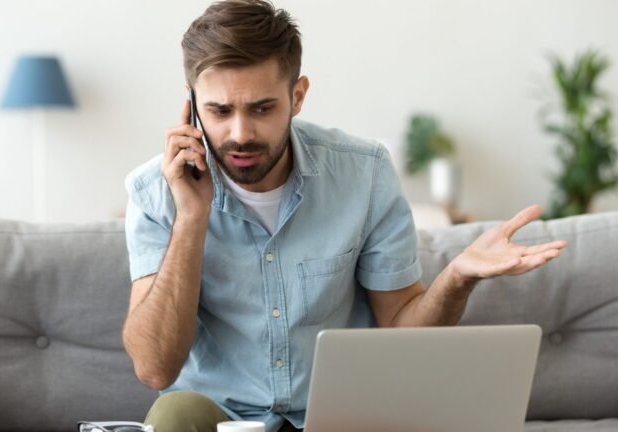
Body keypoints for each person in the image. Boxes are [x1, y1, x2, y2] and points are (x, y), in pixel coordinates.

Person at [121, 1, 567, 431]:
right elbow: (155, 370)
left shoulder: (364, 173)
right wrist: (191, 217)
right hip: (219, 419)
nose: (240, 134)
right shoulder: (154, 192)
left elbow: (401, 328)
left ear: (297, 96)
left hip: (337, 416)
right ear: (192, 103)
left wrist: (457, 278)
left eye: (262, 108)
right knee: (173, 414)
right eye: (219, 111)